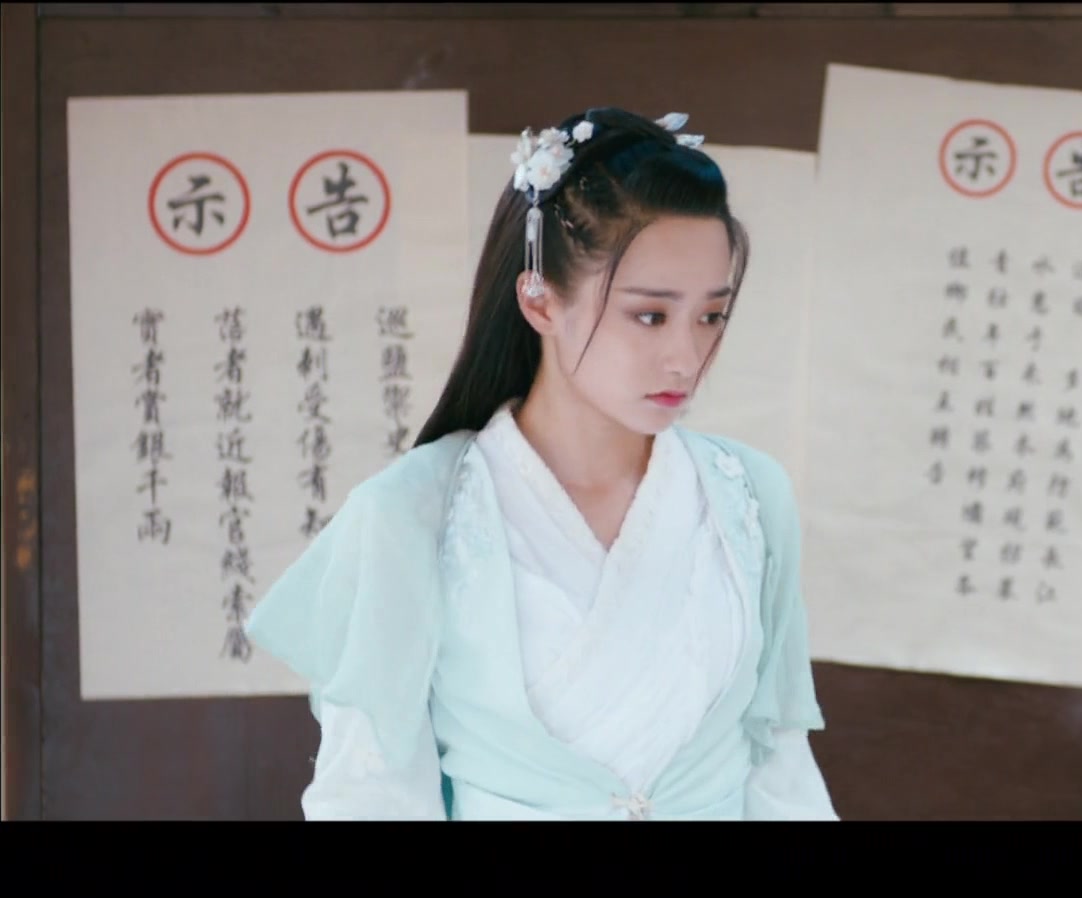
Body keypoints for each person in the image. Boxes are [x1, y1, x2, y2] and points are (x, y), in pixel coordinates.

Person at [244, 108, 837, 821]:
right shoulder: (411, 513)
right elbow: (371, 793)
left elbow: (779, 767)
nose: (687, 357)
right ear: (539, 299)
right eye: (650, 316)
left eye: (711, 316)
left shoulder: (750, 497)